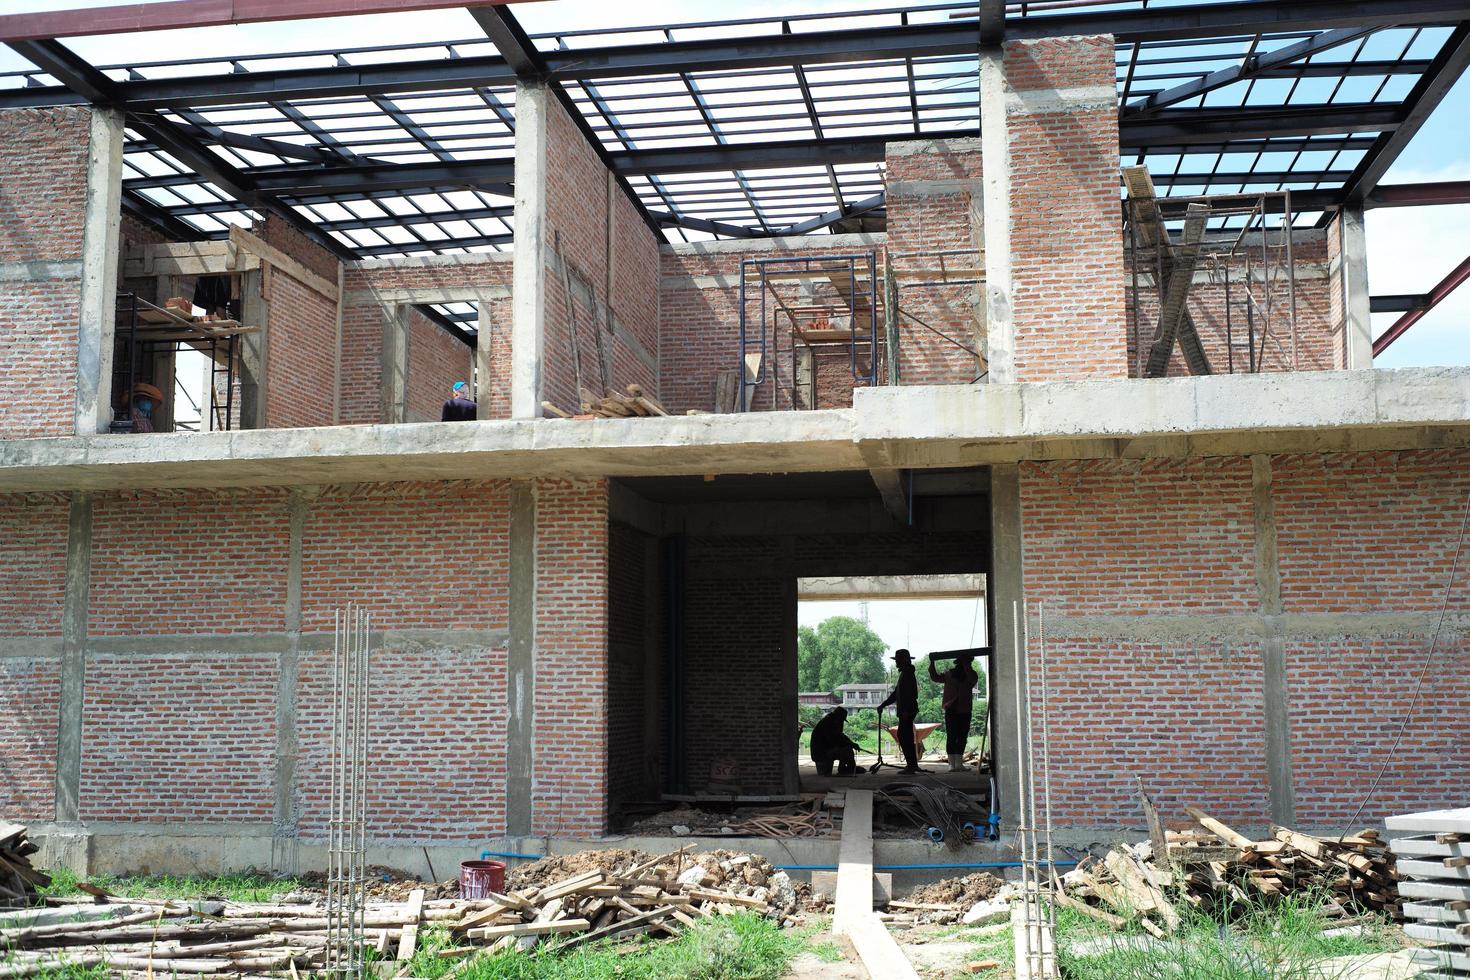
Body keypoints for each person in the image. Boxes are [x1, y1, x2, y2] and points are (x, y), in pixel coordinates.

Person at [928, 654, 980, 772]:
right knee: (952, 736)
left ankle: (958, 764)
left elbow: (972, 679)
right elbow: (935, 677)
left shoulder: (971, 675)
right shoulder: (949, 674)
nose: (967, 665)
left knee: (962, 737)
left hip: (964, 709)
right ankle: (952, 764)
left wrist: (966, 666)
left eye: (968, 663)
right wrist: (932, 663)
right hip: (952, 709)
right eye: (965, 662)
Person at [878, 648, 921, 773]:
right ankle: (912, 764)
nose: (896, 662)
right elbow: (896, 694)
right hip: (906, 710)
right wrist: (884, 704)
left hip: (907, 710)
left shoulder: (907, 674)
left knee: (904, 736)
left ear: (903, 660)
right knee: (904, 736)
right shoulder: (905, 673)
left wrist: (906, 711)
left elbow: (910, 694)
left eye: (897, 660)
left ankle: (912, 765)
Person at [810, 706, 863, 777]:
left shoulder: (832, 721)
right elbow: (833, 741)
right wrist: (849, 744)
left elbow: (840, 736)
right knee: (847, 750)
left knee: (846, 748)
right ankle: (850, 769)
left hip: (824, 752)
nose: (842, 723)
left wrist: (851, 743)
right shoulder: (827, 723)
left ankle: (846, 769)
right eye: (841, 720)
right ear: (838, 717)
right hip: (821, 754)